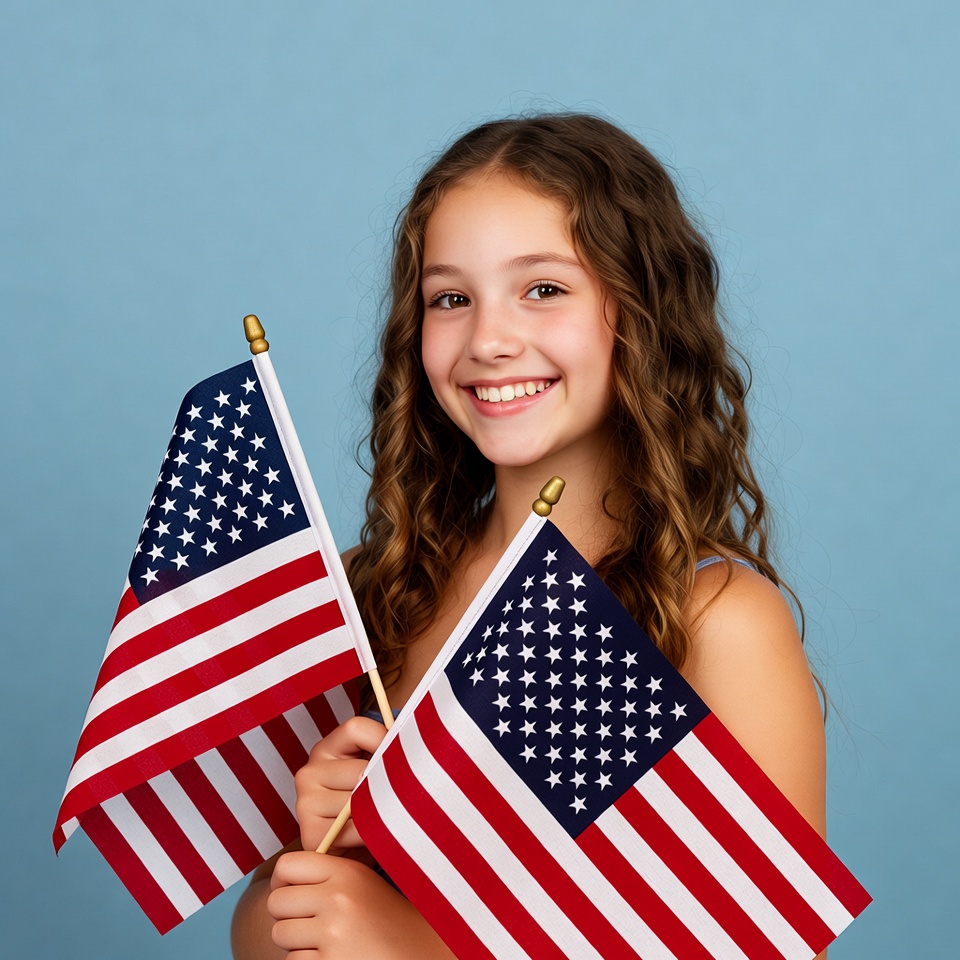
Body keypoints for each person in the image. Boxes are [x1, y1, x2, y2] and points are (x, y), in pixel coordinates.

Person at [231, 113, 827, 960]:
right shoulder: (375, 591)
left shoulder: (719, 624)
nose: (489, 340)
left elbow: (765, 946)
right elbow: (268, 929)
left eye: (543, 288)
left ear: (641, 311)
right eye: (450, 298)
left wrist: (419, 945)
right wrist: (319, 862)